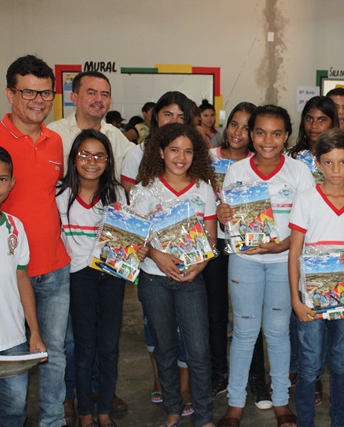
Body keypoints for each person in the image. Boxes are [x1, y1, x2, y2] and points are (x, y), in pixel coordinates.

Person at [0, 54, 71, 427]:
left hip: (52, 266)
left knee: (53, 351)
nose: (38, 101)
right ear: (10, 93)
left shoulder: (55, 142)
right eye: (29, 92)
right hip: (1, 273)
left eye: (46, 93)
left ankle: (52, 420)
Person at [216, 105, 314, 427]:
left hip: (283, 263)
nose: (267, 140)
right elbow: (229, 226)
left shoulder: (299, 172)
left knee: (277, 332)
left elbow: (307, 223)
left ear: (286, 135)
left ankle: (282, 402)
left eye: (275, 133)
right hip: (244, 261)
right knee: (244, 332)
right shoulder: (237, 171)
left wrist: (283, 245)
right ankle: (234, 404)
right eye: (260, 132)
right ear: (250, 134)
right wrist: (224, 216)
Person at [48, 69, 132, 419]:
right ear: (75, 96)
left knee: (108, 346)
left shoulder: (116, 193)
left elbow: (126, 235)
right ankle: (82, 409)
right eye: (84, 156)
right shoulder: (60, 191)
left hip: (110, 276)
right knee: (79, 345)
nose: (92, 162)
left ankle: (103, 407)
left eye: (105, 93)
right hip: (75, 276)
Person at [131, 123, 217, 427]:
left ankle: (204, 415)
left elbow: (211, 237)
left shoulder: (202, 189)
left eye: (188, 151)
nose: (181, 157)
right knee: (165, 347)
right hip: (154, 279)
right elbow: (134, 236)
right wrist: (157, 255)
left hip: (192, 281)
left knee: (198, 350)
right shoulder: (144, 189)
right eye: (174, 150)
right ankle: (172, 407)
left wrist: (201, 265)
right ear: (160, 152)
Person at [288, 128, 344, 427]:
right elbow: (294, 252)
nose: (335, 169)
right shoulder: (306, 199)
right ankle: (306, 422)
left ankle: (339, 418)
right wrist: (295, 299)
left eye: (342, 162)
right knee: (310, 362)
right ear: (317, 163)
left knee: (340, 360)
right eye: (328, 162)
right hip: (310, 297)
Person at [206, 102, 272, 408]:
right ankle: (219, 371)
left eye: (247, 127)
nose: (238, 132)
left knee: (250, 317)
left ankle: (257, 377)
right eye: (234, 124)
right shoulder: (208, 158)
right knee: (217, 313)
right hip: (214, 244)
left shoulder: (257, 163)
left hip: (248, 247)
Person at [0, 145, 46, 427]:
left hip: (13, 345)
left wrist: (35, 333)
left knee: (14, 413)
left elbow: (22, 280)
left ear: (12, 183)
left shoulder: (15, 227)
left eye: (2, 179)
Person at [48, 71, 134, 180]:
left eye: (104, 94)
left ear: (110, 101)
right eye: (91, 93)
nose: (98, 99)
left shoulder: (116, 136)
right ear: (74, 98)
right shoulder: (53, 133)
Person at [120, 91, 193, 192]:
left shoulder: (193, 155)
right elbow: (127, 199)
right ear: (156, 116)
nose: (174, 121)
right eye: (168, 115)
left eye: (181, 117)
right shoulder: (137, 154)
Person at [288, 95, 344, 188]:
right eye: (309, 119)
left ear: (332, 122)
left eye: (322, 120)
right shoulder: (291, 156)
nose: (314, 126)